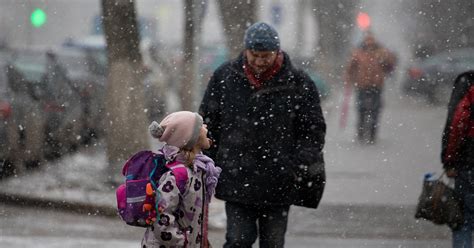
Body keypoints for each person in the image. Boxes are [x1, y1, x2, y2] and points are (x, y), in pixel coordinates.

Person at [199, 22, 326, 248]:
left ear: (277, 52)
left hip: (279, 182)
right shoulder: (225, 77)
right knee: (237, 240)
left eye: (265, 55)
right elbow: (208, 124)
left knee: (273, 243)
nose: (259, 61)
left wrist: (297, 164)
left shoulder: (298, 83)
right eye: (254, 55)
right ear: (245, 50)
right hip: (236, 178)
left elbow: (313, 129)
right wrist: (213, 162)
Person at [142, 111, 221, 248]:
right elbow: (161, 216)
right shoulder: (178, 175)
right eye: (201, 125)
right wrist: (181, 241)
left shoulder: (199, 170)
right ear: (192, 138)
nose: (206, 126)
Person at [344, 32, 397, 144]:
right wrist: (349, 78)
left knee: (375, 110)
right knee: (361, 109)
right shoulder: (358, 53)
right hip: (362, 85)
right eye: (367, 43)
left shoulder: (381, 53)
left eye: (371, 43)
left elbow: (389, 66)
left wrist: (387, 60)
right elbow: (351, 68)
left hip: (376, 85)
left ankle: (372, 134)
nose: (369, 45)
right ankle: (361, 132)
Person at [441, 71, 474, 248]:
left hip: (469, 161)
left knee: (464, 219)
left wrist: (450, 160)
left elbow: (457, 124)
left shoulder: (468, 83)